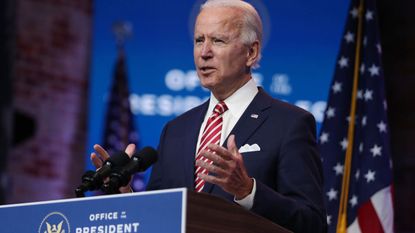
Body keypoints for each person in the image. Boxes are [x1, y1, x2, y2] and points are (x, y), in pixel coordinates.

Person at [91, 1, 326, 232]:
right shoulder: (175, 130)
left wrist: (248, 191)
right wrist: (126, 197)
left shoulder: (289, 124)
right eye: (199, 40)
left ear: (251, 53)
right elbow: (158, 217)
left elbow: (312, 223)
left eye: (218, 41)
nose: (204, 53)